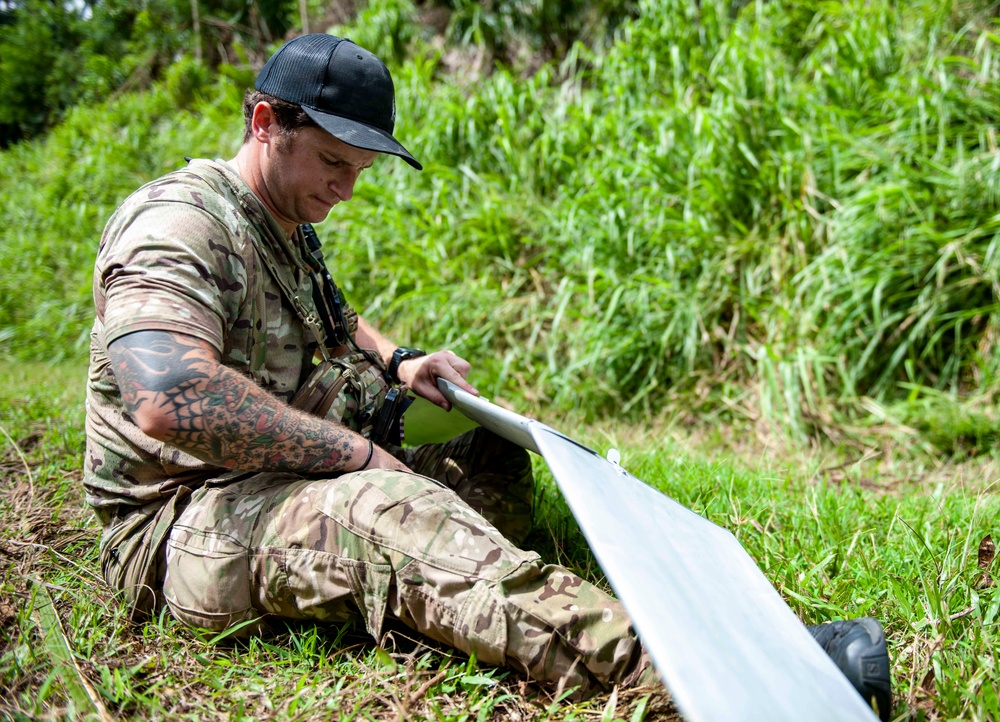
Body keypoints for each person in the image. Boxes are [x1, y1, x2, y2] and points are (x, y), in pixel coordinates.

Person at [83, 32, 891, 716]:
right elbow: (168, 395)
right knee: (384, 511)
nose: (346, 188)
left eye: (360, 170)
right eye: (333, 161)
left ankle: (464, 594)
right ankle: (713, 677)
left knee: (481, 440)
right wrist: (355, 457)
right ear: (266, 123)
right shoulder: (178, 222)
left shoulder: (284, 219)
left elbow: (329, 317)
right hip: (178, 519)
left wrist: (399, 362)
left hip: (265, 475)